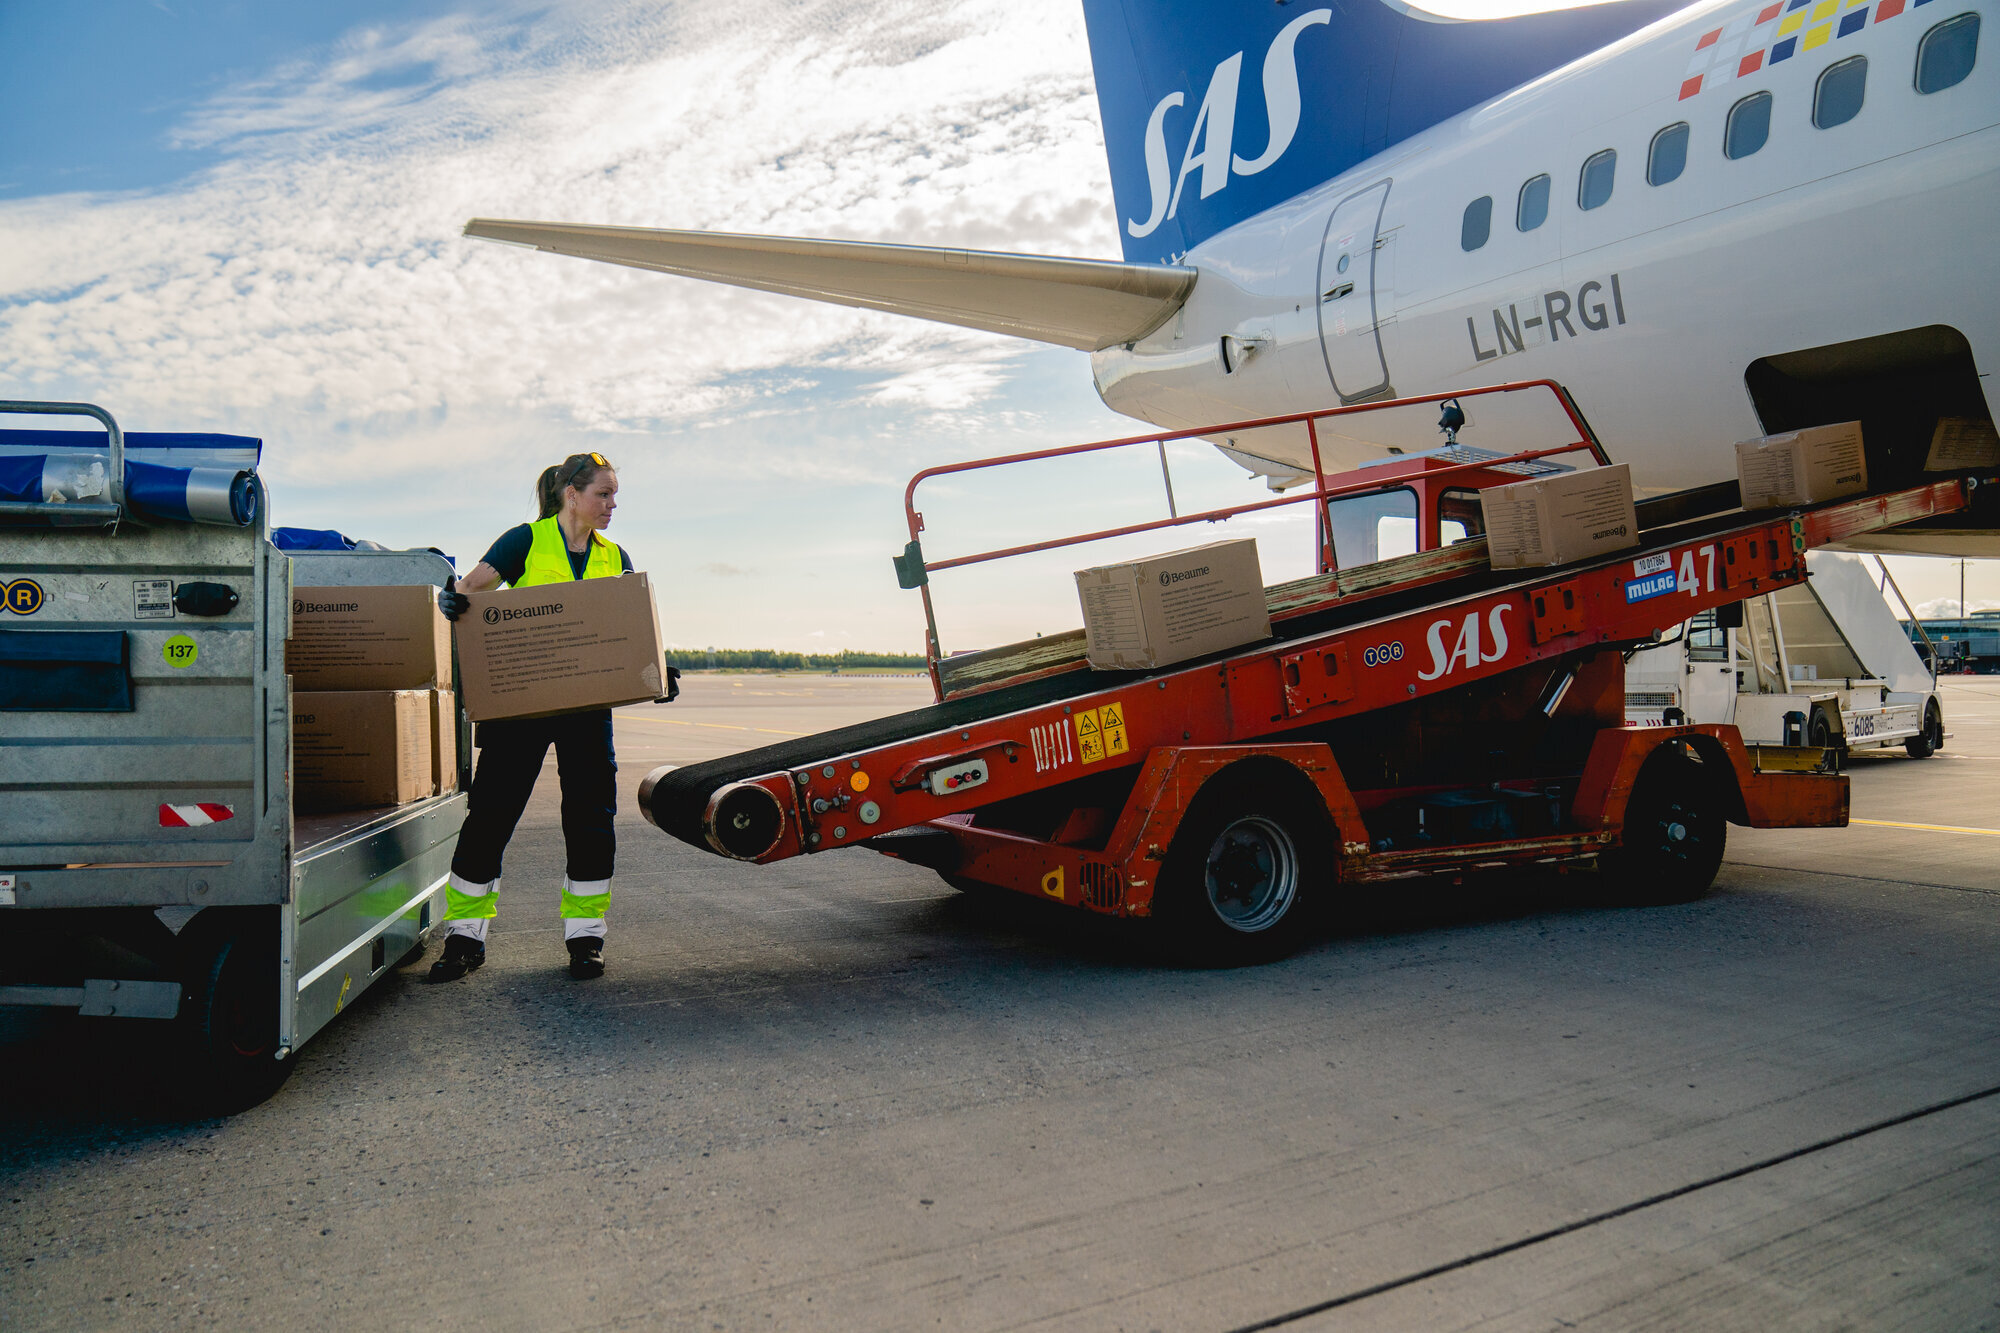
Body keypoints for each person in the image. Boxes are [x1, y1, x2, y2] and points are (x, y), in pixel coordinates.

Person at [429, 451, 634, 982]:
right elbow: (469, 589)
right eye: (603, 494)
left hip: (587, 707)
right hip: (523, 705)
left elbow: (629, 627)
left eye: (614, 495)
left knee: (591, 820)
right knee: (491, 815)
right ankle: (464, 937)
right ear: (572, 494)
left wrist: (656, 666)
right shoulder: (524, 541)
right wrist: (451, 602)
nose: (612, 504)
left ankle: (585, 937)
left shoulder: (616, 557)